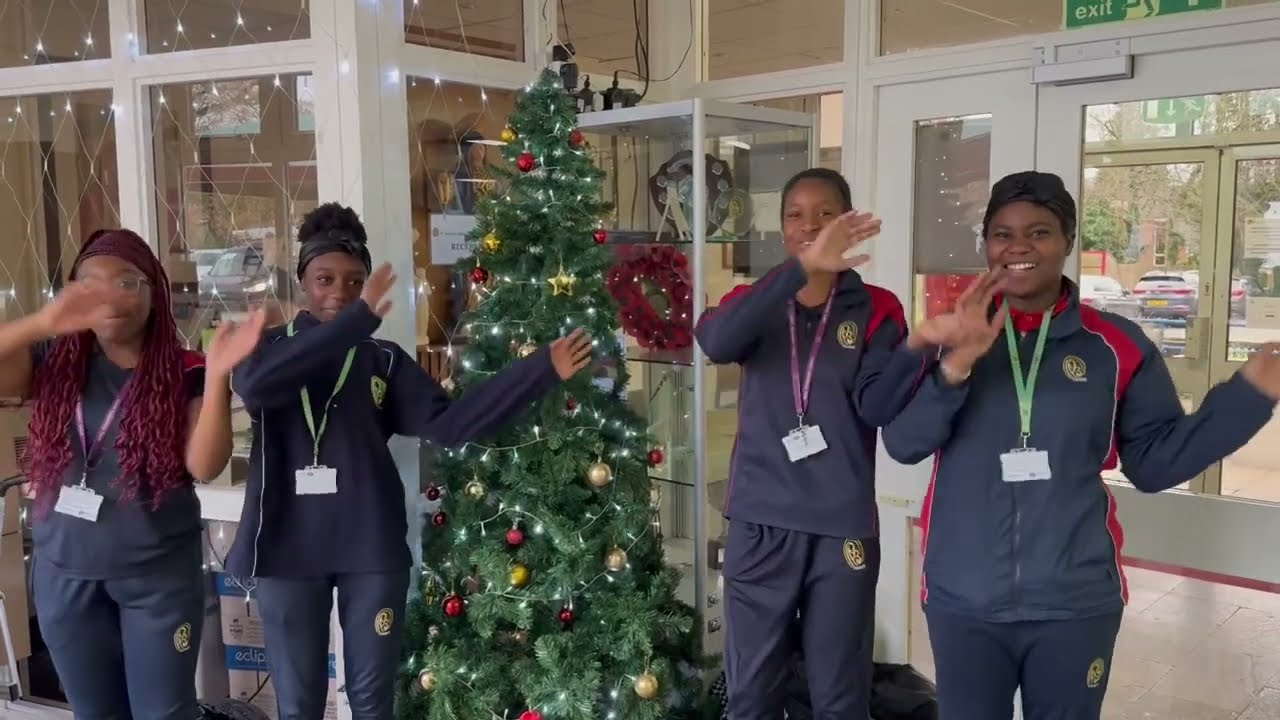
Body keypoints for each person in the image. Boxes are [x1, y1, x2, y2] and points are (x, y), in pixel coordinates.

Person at [882, 171, 1280, 720]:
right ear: (987, 245)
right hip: (963, 598)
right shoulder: (951, 334)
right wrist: (956, 365)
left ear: (1068, 240)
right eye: (1002, 234)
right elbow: (902, 443)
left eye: (1039, 232)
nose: (1018, 246)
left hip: (1074, 600)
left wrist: (1248, 398)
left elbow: (1156, 462)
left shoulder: (1114, 345)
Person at [224, 203, 594, 720]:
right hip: (287, 550)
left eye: (355, 284)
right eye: (325, 278)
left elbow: (453, 424)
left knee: (374, 703)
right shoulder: (267, 353)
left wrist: (539, 371)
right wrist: (355, 322)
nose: (340, 293)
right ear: (303, 282)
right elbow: (257, 388)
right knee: (299, 705)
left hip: (369, 549)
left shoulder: (384, 361)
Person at [694, 168, 959, 718]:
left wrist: (918, 346)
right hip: (759, 523)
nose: (809, 225)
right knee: (751, 694)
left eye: (825, 213)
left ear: (850, 222)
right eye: (795, 214)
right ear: (782, 227)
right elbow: (716, 341)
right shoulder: (755, 300)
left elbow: (877, 408)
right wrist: (799, 272)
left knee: (839, 696)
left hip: (841, 529)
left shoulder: (878, 308)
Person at [0, 228, 263, 720]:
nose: (111, 296)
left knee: (165, 713)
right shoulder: (53, 364)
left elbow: (205, 465)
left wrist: (220, 375)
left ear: (153, 292)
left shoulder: (187, 369)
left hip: (157, 581)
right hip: (66, 576)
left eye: (127, 281)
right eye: (92, 285)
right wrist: (41, 322)